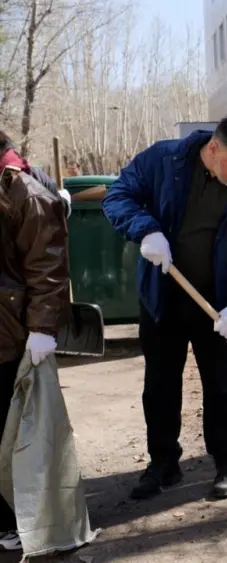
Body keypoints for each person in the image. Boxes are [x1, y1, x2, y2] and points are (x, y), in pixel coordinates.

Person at [102, 117, 227, 499]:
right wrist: (146, 229)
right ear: (213, 149)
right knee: (161, 384)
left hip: (219, 304)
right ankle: (163, 464)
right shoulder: (165, 160)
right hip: (164, 298)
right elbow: (117, 197)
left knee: (222, 386)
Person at [0, 165, 70, 552]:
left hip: (9, 333)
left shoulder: (24, 192)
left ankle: (14, 519)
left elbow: (47, 264)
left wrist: (43, 327)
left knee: (10, 432)